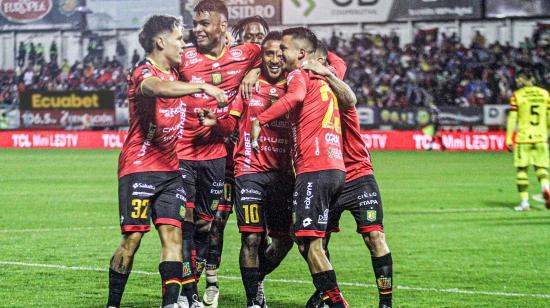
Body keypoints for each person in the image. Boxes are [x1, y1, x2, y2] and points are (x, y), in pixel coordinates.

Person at [105, 14, 225, 308]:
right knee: (132, 240)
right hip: (139, 167)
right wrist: (202, 87)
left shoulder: (175, 74)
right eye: (179, 38)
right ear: (160, 42)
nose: (184, 44)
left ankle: (170, 303)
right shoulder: (143, 72)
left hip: (171, 170)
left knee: (173, 236)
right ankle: (113, 304)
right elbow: (156, 89)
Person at [250, 27, 356, 308]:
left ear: (301, 54)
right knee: (310, 242)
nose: (279, 54)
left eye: (284, 49)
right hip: (336, 169)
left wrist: (260, 119)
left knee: (309, 244)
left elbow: (295, 98)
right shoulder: (326, 75)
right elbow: (340, 63)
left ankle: (335, 302)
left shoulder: (301, 74)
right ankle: (323, 298)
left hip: (314, 168)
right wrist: (316, 53)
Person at [176, 1, 262, 306]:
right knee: (184, 225)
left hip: (227, 158)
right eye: (194, 24)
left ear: (223, 27)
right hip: (185, 153)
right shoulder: (182, 57)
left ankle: (207, 283)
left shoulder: (249, 54)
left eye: (203, 24)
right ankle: (187, 291)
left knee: (209, 225)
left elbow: (288, 54)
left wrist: (255, 70)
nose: (196, 30)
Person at [200, 31, 294, 308]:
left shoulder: (297, 85)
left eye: (279, 53)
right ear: (261, 56)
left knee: (284, 240)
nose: (274, 59)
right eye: (268, 54)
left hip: (282, 175)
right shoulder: (248, 88)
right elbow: (231, 124)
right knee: (251, 236)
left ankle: (256, 277)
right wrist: (216, 123)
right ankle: (254, 300)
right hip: (249, 172)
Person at [304, 43, 393, 308]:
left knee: (375, 237)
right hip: (325, 176)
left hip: (357, 175)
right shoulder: (306, 93)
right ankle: (327, 293)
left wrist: (324, 67)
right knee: (316, 243)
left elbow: (339, 68)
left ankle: (385, 304)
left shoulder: (338, 90)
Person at [506, 70, 550, 211]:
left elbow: (513, 118)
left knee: (522, 169)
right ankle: (545, 187)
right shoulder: (545, 94)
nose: (517, 81)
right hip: (541, 137)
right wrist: (546, 133)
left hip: (524, 138)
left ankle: (524, 203)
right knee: (541, 168)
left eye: (519, 78)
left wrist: (508, 138)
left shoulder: (517, 95)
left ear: (527, 79)